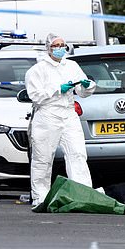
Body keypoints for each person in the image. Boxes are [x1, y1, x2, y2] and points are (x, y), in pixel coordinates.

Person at [25, 33, 96, 208]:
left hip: (69, 113)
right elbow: (35, 96)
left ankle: (83, 194)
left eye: (62, 45)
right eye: (56, 45)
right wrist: (57, 90)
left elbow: (82, 90)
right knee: (43, 157)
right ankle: (40, 197)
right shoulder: (37, 70)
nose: (60, 48)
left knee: (77, 154)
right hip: (48, 115)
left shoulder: (71, 66)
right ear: (48, 48)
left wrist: (87, 86)